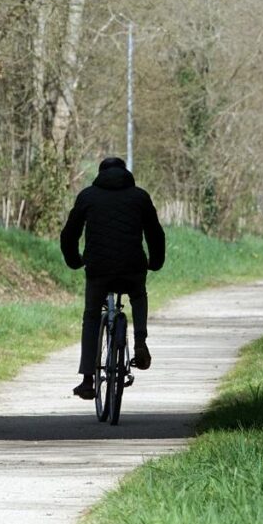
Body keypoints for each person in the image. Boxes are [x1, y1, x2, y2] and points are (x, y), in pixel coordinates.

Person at [60, 156, 165, 399]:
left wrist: (75, 260)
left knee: (92, 315)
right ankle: (140, 340)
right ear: (125, 173)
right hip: (132, 266)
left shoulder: (87, 196)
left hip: (98, 269)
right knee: (138, 295)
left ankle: (88, 380)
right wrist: (155, 262)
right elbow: (155, 234)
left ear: (100, 173)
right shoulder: (140, 197)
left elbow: (69, 234)